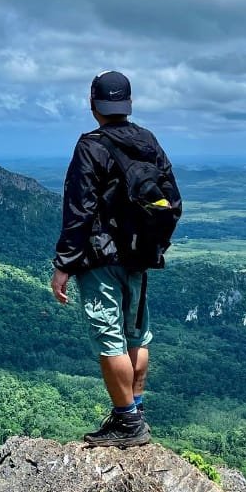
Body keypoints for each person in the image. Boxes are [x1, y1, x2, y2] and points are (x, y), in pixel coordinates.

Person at [51, 70, 181, 447]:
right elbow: (173, 202)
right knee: (136, 334)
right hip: (139, 255)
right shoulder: (149, 141)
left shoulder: (90, 145)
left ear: (93, 105)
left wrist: (63, 265)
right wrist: (155, 245)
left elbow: (79, 210)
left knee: (110, 337)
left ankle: (126, 422)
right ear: (129, 104)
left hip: (100, 258)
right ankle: (135, 410)